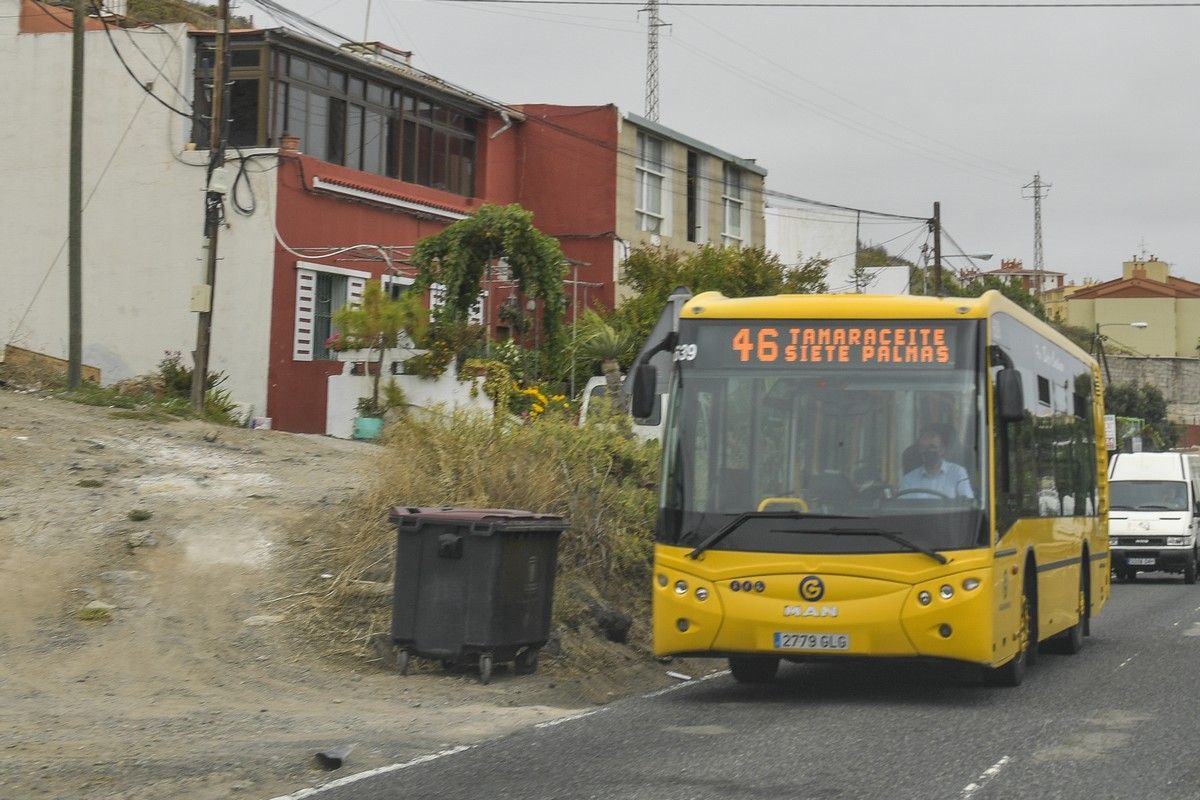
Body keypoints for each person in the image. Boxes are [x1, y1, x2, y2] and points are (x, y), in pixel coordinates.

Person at [899, 428, 973, 499]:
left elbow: (967, 501)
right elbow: (901, 507)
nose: (927, 451)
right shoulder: (909, 479)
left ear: (942, 450)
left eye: (932, 447)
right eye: (923, 447)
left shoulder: (958, 472)